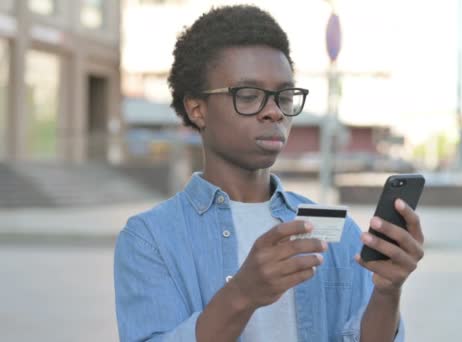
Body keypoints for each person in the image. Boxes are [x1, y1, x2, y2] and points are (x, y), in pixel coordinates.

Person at [114, 5, 424, 342]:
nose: (274, 112)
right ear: (197, 108)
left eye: (284, 96)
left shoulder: (335, 230)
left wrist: (388, 290)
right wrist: (243, 294)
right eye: (249, 96)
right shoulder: (151, 238)